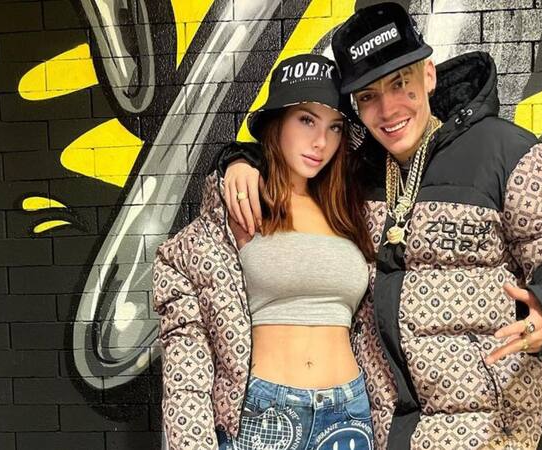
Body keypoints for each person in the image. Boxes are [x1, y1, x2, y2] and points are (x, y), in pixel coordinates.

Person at [218, 3, 542, 449]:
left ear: (428, 75)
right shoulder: (357, 170)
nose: (388, 109)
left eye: (400, 83)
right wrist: (239, 160)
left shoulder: (505, 151)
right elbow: (294, 154)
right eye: (368, 96)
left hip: (480, 428)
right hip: (375, 426)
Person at [153, 53, 379, 450]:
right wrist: (237, 158)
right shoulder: (241, 204)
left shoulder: (352, 211)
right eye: (306, 120)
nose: (321, 142)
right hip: (262, 410)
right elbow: (186, 336)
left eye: (335, 127)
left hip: (349, 411)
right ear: (278, 121)